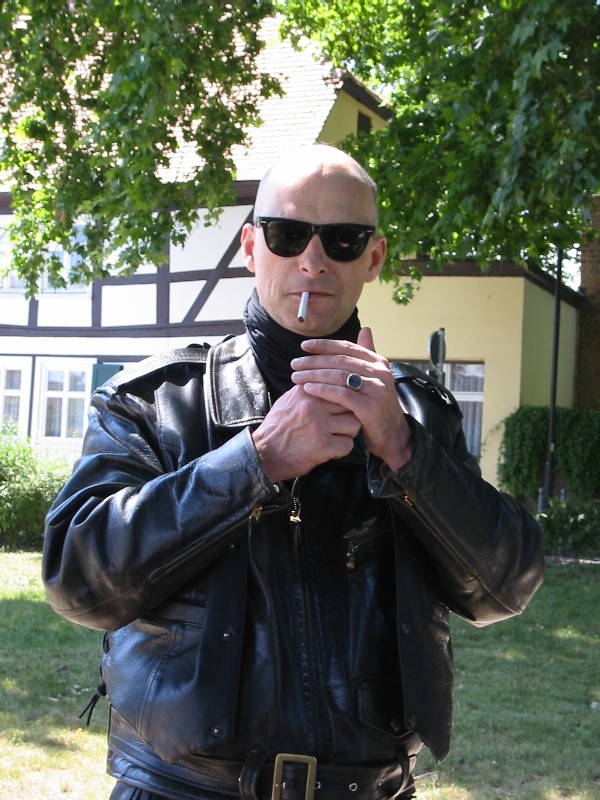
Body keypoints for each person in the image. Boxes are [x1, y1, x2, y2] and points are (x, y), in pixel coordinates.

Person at [43, 144, 544, 800]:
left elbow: (504, 586)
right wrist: (257, 461)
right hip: (183, 788)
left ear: (373, 258)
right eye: (287, 235)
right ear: (252, 246)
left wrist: (403, 450)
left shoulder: (421, 415)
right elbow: (77, 580)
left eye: (342, 240)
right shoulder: (157, 400)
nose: (313, 261)